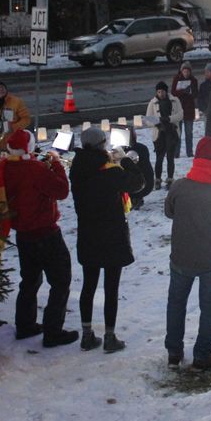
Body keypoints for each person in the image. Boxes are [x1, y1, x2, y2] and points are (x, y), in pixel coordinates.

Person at [163, 136, 211, 370]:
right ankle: (202, 355)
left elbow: (169, 212)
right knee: (208, 307)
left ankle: (174, 353)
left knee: (176, 303)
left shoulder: (180, 186)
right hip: (210, 259)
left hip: (181, 256)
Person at [0, 129, 76, 346]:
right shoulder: (34, 168)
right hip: (45, 233)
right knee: (60, 280)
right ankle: (53, 331)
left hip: (23, 234)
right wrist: (56, 163)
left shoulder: (6, 167)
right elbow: (61, 190)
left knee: (30, 280)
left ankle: (25, 324)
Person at [70, 126, 146, 353]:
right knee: (110, 288)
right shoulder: (111, 172)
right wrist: (126, 161)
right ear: (103, 144)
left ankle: (86, 335)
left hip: (88, 233)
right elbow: (138, 183)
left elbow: (93, 165)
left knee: (88, 285)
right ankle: (110, 336)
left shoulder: (77, 169)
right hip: (112, 234)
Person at [147, 81, 184, 190]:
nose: (161, 94)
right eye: (158, 92)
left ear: (166, 91)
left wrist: (169, 119)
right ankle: (157, 179)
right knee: (159, 158)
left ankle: (170, 179)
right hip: (159, 134)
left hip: (171, 133)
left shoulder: (175, 100)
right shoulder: (152, 103)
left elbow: (180, 114)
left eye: (162, 91)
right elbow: (148, 118)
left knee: (170, 158)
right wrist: (157, 122)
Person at [171, 62, 199, 158]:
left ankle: (189, 152)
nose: (186, 73)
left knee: (189, 133)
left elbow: (195, 94)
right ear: (181, 71)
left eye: (187, 71)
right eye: (184, 71)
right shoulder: (177, 79)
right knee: (178, 133)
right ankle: (176, 152)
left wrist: (190, 92)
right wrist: (182, 91)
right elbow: (173, 92)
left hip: (189, 110)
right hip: (179, 109)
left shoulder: (193, 80)